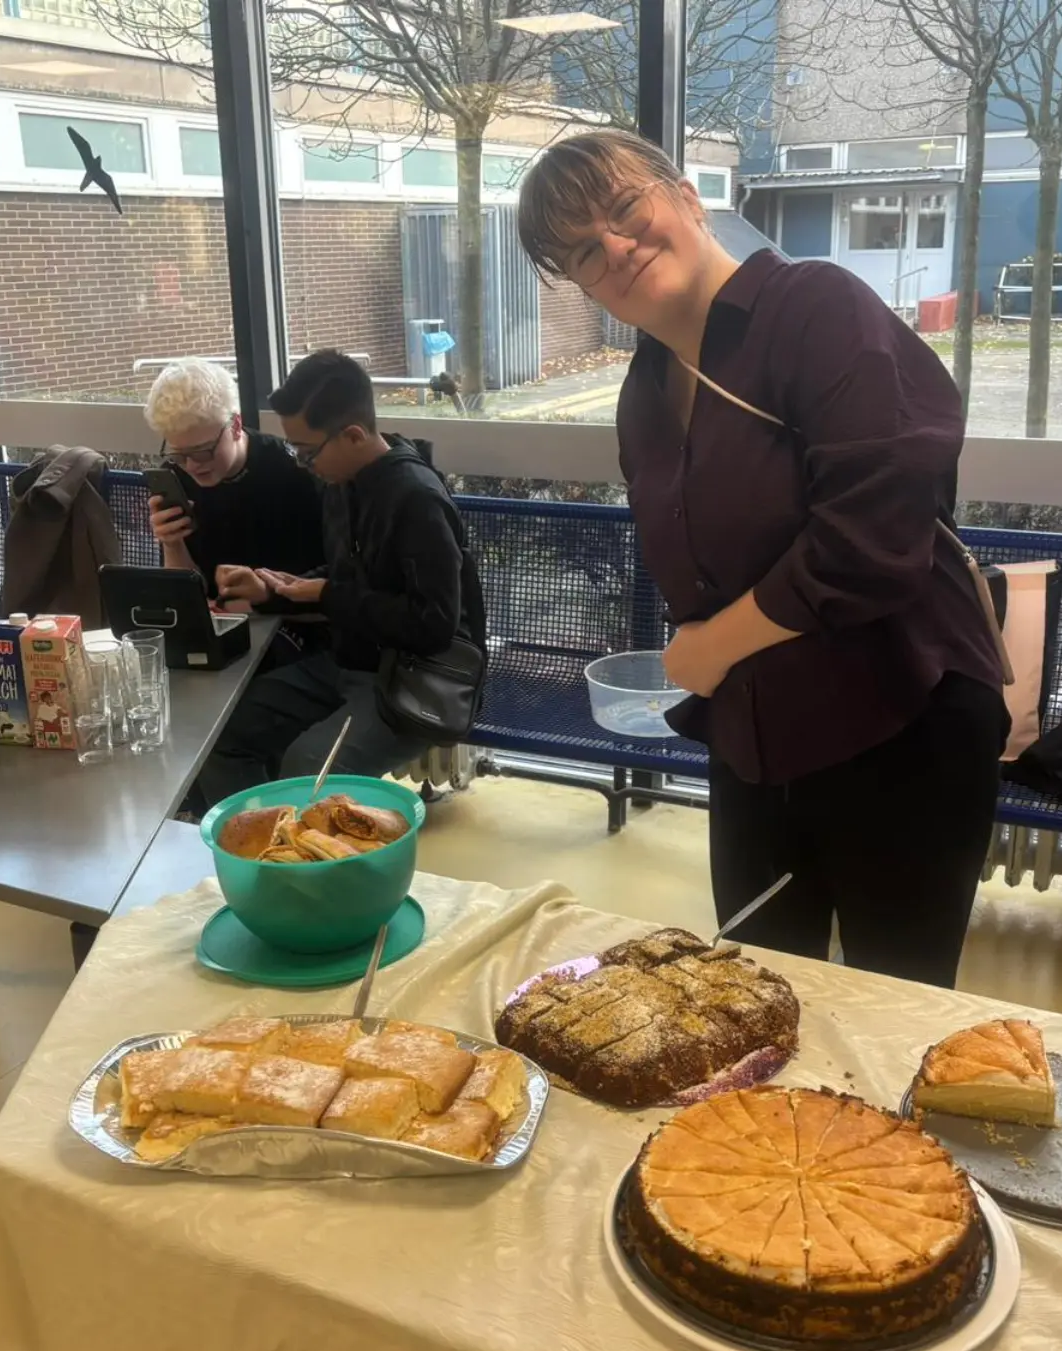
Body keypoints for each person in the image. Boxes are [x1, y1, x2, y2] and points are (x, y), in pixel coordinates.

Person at [516, 130, 1008, 988]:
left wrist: (711, 648)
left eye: (626, 210)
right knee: (757, 991)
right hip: (756, 743)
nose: (617, 248)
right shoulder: (644, 394)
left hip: (899, 722)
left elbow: (871, 540)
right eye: (583, 253)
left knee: (894, 1002)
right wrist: (708, 653)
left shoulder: (815, 309)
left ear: (688, 196)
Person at [192, 350, 483, 807]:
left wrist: (327, 594)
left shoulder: (416, 500)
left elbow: (434, 625)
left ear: (352, 434)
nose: (301, 462)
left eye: (306, 452)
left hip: (414, 680)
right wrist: (272, 591)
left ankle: (304, 863)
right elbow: (348, 576)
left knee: (310, 769)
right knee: (219, 737)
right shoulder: (341, 482)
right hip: (351, 663)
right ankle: (263, 855)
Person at [143, 358, 324, 600]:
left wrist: (264, 596)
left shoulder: (289, 471)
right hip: (216, 616)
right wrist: (172, 543)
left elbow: (324, 586)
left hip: (287, 615)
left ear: (236, 426)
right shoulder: (176, 476)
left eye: (203, 450)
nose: (194, 466)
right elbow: (185, 595)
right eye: (180, 454)